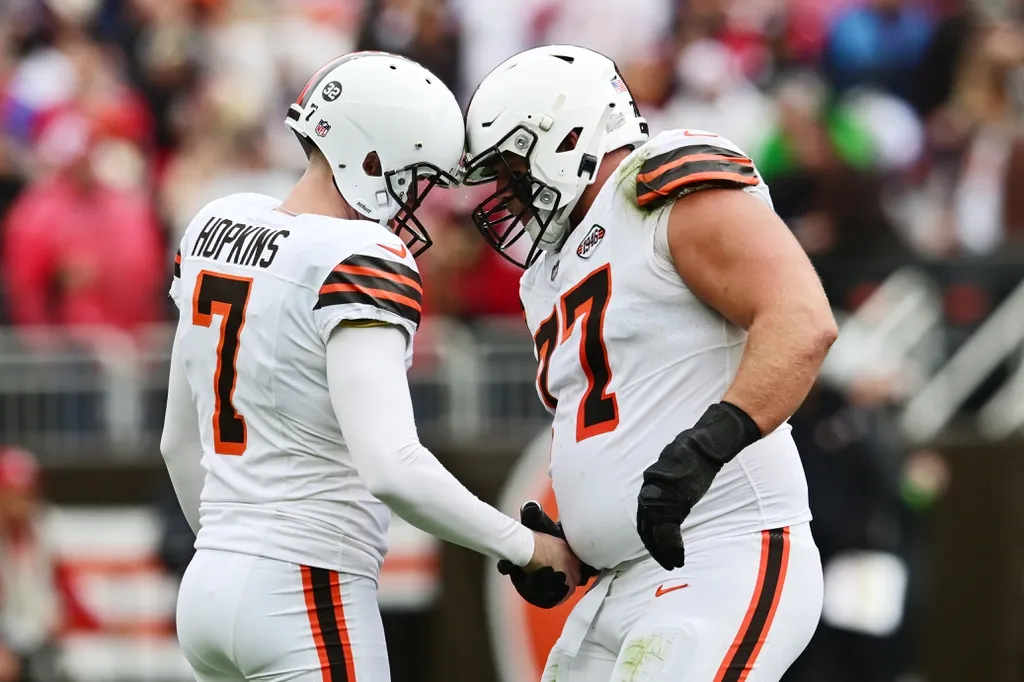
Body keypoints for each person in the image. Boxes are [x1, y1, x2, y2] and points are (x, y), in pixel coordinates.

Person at [160, 51, 579, 682]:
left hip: (206, 588)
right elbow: (393, 467)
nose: (412, 201)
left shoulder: (215, 225)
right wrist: (527, 549)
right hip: (305, 587)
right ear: (374, 160)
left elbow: (176, 444)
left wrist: (232, 552)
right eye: (413, 178)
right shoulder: (359, 253)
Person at [462, 45, 837, 681]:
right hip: (613, 587)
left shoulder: (656, 186)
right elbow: (626, 411)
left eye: (512, 165)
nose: (508, 191)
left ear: (568, 133)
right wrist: (574, 534)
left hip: (719, 552)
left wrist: (705, 449)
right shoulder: (546, 273)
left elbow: (801, 320)